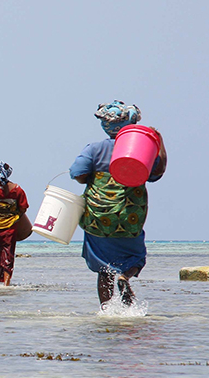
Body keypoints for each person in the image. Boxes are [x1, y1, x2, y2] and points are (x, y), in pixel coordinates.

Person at [70, 101, 167, 306]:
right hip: (130, 217)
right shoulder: (143, 149)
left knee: (103, 269)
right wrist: (158, 141)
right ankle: (125, 276)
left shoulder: (95, 149)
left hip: (98, 218)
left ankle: (107, 311)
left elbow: (77, 173)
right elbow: (156, 173)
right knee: (135, 257)